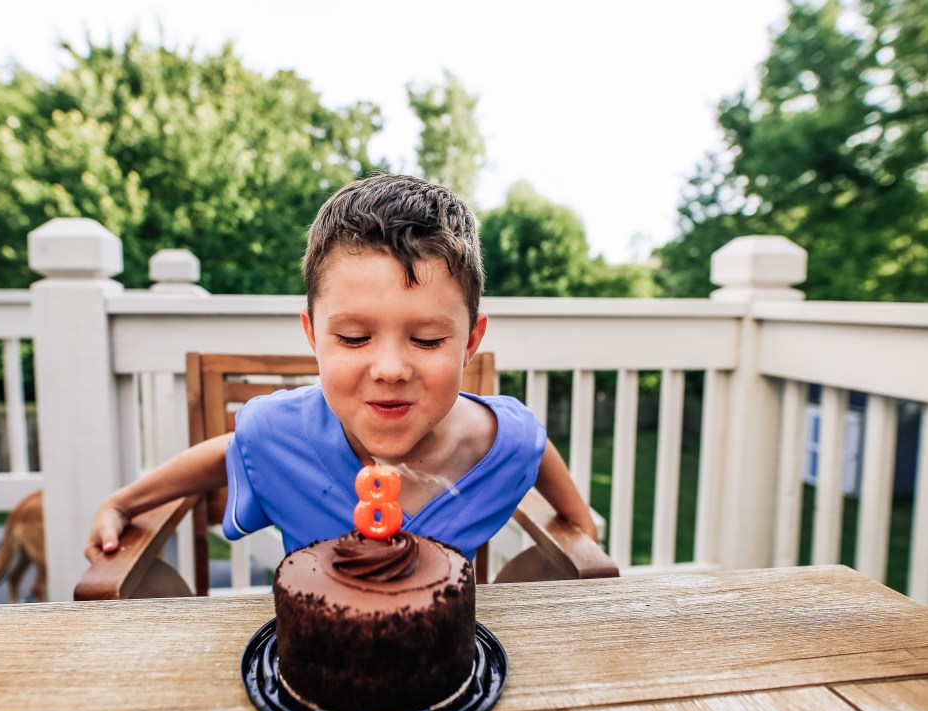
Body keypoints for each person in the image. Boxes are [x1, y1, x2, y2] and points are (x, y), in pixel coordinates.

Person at [85, 173, 596, 567]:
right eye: (353, 338)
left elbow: (531, 446)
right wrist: (123, 503)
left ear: (470, 342)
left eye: (427, 340)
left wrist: (578, 522)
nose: (391, 368)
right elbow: (228, 451)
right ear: (313, 336)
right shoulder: (281, 432)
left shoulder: (499, 440)